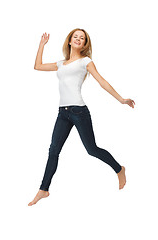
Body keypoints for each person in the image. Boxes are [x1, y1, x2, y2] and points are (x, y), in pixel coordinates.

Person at [28, 28, 135, 206]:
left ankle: (119, 169)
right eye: (75, 37)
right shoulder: (61, 64)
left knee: (91, 149)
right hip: (62, 113)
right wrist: (41, 45)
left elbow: (102, 82)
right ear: (69, 41)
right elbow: (37, 66)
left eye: (82, 38)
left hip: (79, 112)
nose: (78, 39)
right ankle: (43, 189)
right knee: (53, 151)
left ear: (84, 44)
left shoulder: (86, 62)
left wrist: (122, 99)